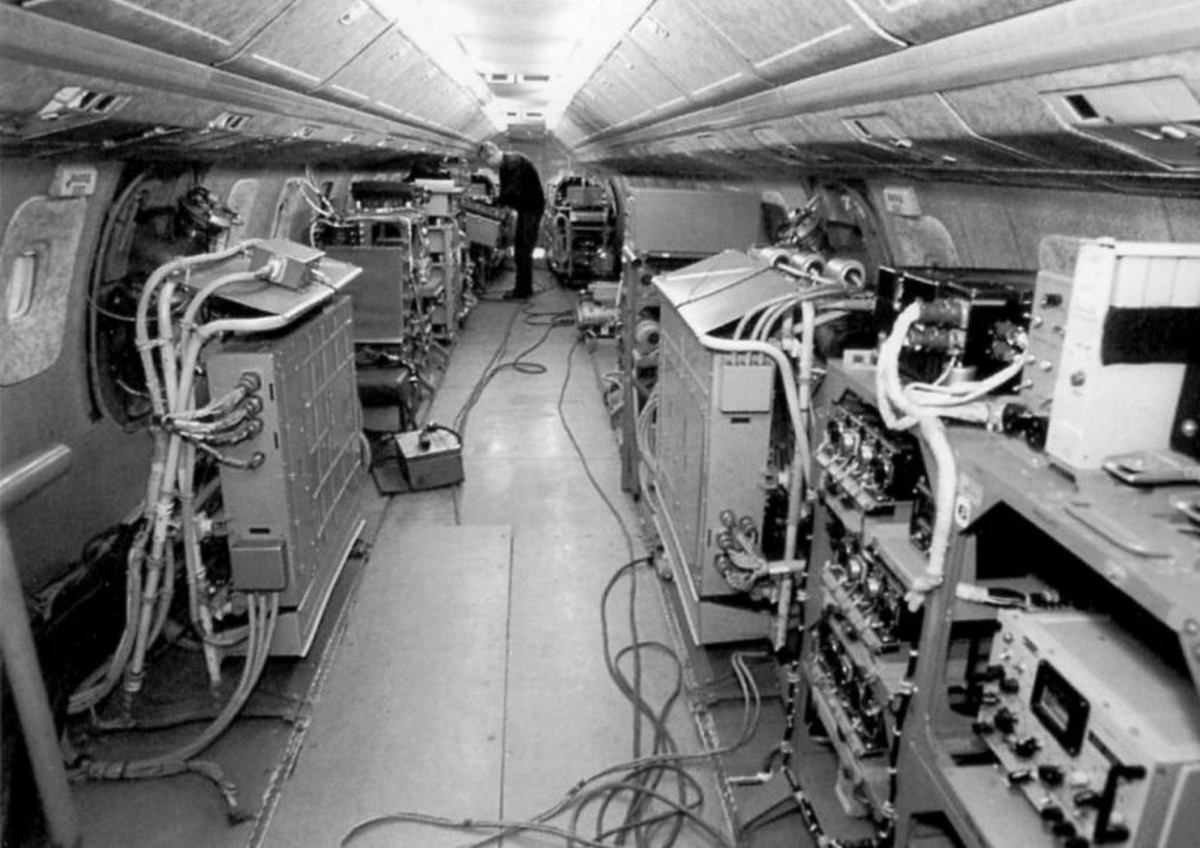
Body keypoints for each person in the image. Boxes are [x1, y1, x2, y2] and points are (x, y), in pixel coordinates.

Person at [477, 140, 545, 299]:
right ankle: (523, 288)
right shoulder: (505, 165)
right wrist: (495, 203)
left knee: (523, 250)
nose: (489, 167)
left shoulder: (514, 162)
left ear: (492, 154)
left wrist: (494, 204)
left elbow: (511, 191)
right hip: (525, 209)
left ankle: (523, 290)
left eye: (487, 162)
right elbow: (506, 192)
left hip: (531, 209)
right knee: (521, 249)